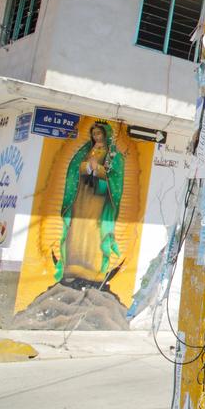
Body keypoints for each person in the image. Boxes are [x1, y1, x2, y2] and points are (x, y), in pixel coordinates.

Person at [56, 122, 124, 287]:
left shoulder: (113, 155)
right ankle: (72, 267)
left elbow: (116, 177)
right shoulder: (85, 151)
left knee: (94, 230)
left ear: (106, 135)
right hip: (81, 196)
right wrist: (86, 167)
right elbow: (73, 168)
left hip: (98, 199)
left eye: (99, 134)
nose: (97, 138)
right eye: (94, 135)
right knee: (77, 227)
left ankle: (93, 270)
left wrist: (98, 170)